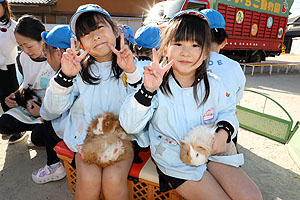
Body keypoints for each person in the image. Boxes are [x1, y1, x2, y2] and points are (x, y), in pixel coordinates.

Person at [119, 10, 262, 200]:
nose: (186, 52)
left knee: (252, 196)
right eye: (178, 43)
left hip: (211, 150)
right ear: (165, 48)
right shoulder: (156, 84)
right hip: (175, 158)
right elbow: (129, 125)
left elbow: (228, 112)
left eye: (195, 45)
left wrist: (223, 133)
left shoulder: (214, 83)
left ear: (205, 53)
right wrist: (147, 91)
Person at [41, 4, 142, 199]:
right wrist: (65, 77)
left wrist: (131, 73)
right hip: (85, 140)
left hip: (121, 139)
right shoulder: (76, 71)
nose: (95, 36)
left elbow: (143, 105)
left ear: (115, 31)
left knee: (113, 180)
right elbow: (52, 109)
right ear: (79, 43)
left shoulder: (131, 65)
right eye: (86, 34)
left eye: (99, 28)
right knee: (88, 180)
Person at [30, 25, 75, 184]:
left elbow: (50, 112)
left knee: (47, 123)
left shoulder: (58, 79)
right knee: (36, 135)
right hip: (86, 130)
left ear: (57, 53)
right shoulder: (83, 70)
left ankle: (54, 167)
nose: (45, 56)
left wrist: (40, 113)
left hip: (72, 131)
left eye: (46, 51)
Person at [0, 15, 55, 144]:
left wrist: (42, 112)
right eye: (20, 45)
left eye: (29, 46)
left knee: (38, 138)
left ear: (42, 40)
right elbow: (26, 83)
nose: (25, 50)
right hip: (30, 106)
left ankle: (41, 128)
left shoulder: (55, 57)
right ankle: (35, 127)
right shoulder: (22, 58)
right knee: (3, 124)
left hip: (51, 109)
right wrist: (15, 95)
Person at [201, 9, 246, 146]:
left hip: (195, 132)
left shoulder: (188, 64)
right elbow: (236, 97)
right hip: (225, 130)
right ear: (224, 41)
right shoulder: (234, 66)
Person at [0, 0, 19, 112]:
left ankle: (11, 128)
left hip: (8, 70)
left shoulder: (13, 26)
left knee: (10, 102)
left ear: (4, 6)